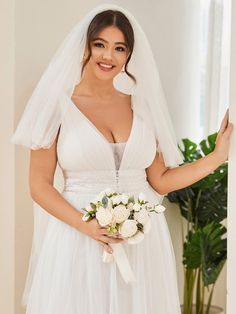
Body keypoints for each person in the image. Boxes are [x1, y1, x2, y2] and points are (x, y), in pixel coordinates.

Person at [11, 4, 233, 314]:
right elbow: (39, 185)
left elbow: (160, 180)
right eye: (99, 44)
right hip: (80, 237)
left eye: (119, 48)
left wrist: (215, 158)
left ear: (129, 55)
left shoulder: (141, 106)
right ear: (85, 45)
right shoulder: (56, 105)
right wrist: (85, 225)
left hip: (142, 242)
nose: (108, 56)